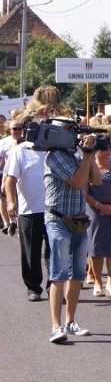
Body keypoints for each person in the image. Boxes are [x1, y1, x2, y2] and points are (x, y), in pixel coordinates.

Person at [43, 110, 103, 343]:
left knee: (77, 274)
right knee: (59, 273)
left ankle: (70, 321)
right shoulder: (54, 156)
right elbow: (79, 182)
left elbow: (96, 180)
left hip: (78, 220)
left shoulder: (76, 157)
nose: (75, 136)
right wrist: (87, 155)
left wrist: (89, 153)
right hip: (58, 219)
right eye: (70, 131)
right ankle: (56, 326)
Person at [5, 115, 49, 301]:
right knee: (30, 251)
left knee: (54, 251)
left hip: (52, 210)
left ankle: (54, 286)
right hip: (29, 210)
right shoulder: (20, 150)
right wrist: (11, 201)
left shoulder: (52, 149)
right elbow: (10, 178)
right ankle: (33, 287)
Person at [84, 140, 111, 298]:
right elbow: (85, 193)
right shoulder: (89, 167)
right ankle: (97, 282)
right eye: (103, 149)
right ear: (95, 151)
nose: (107, 152)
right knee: (95, 248)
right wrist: (99, 205)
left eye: (109, 148)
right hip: (95, 213)